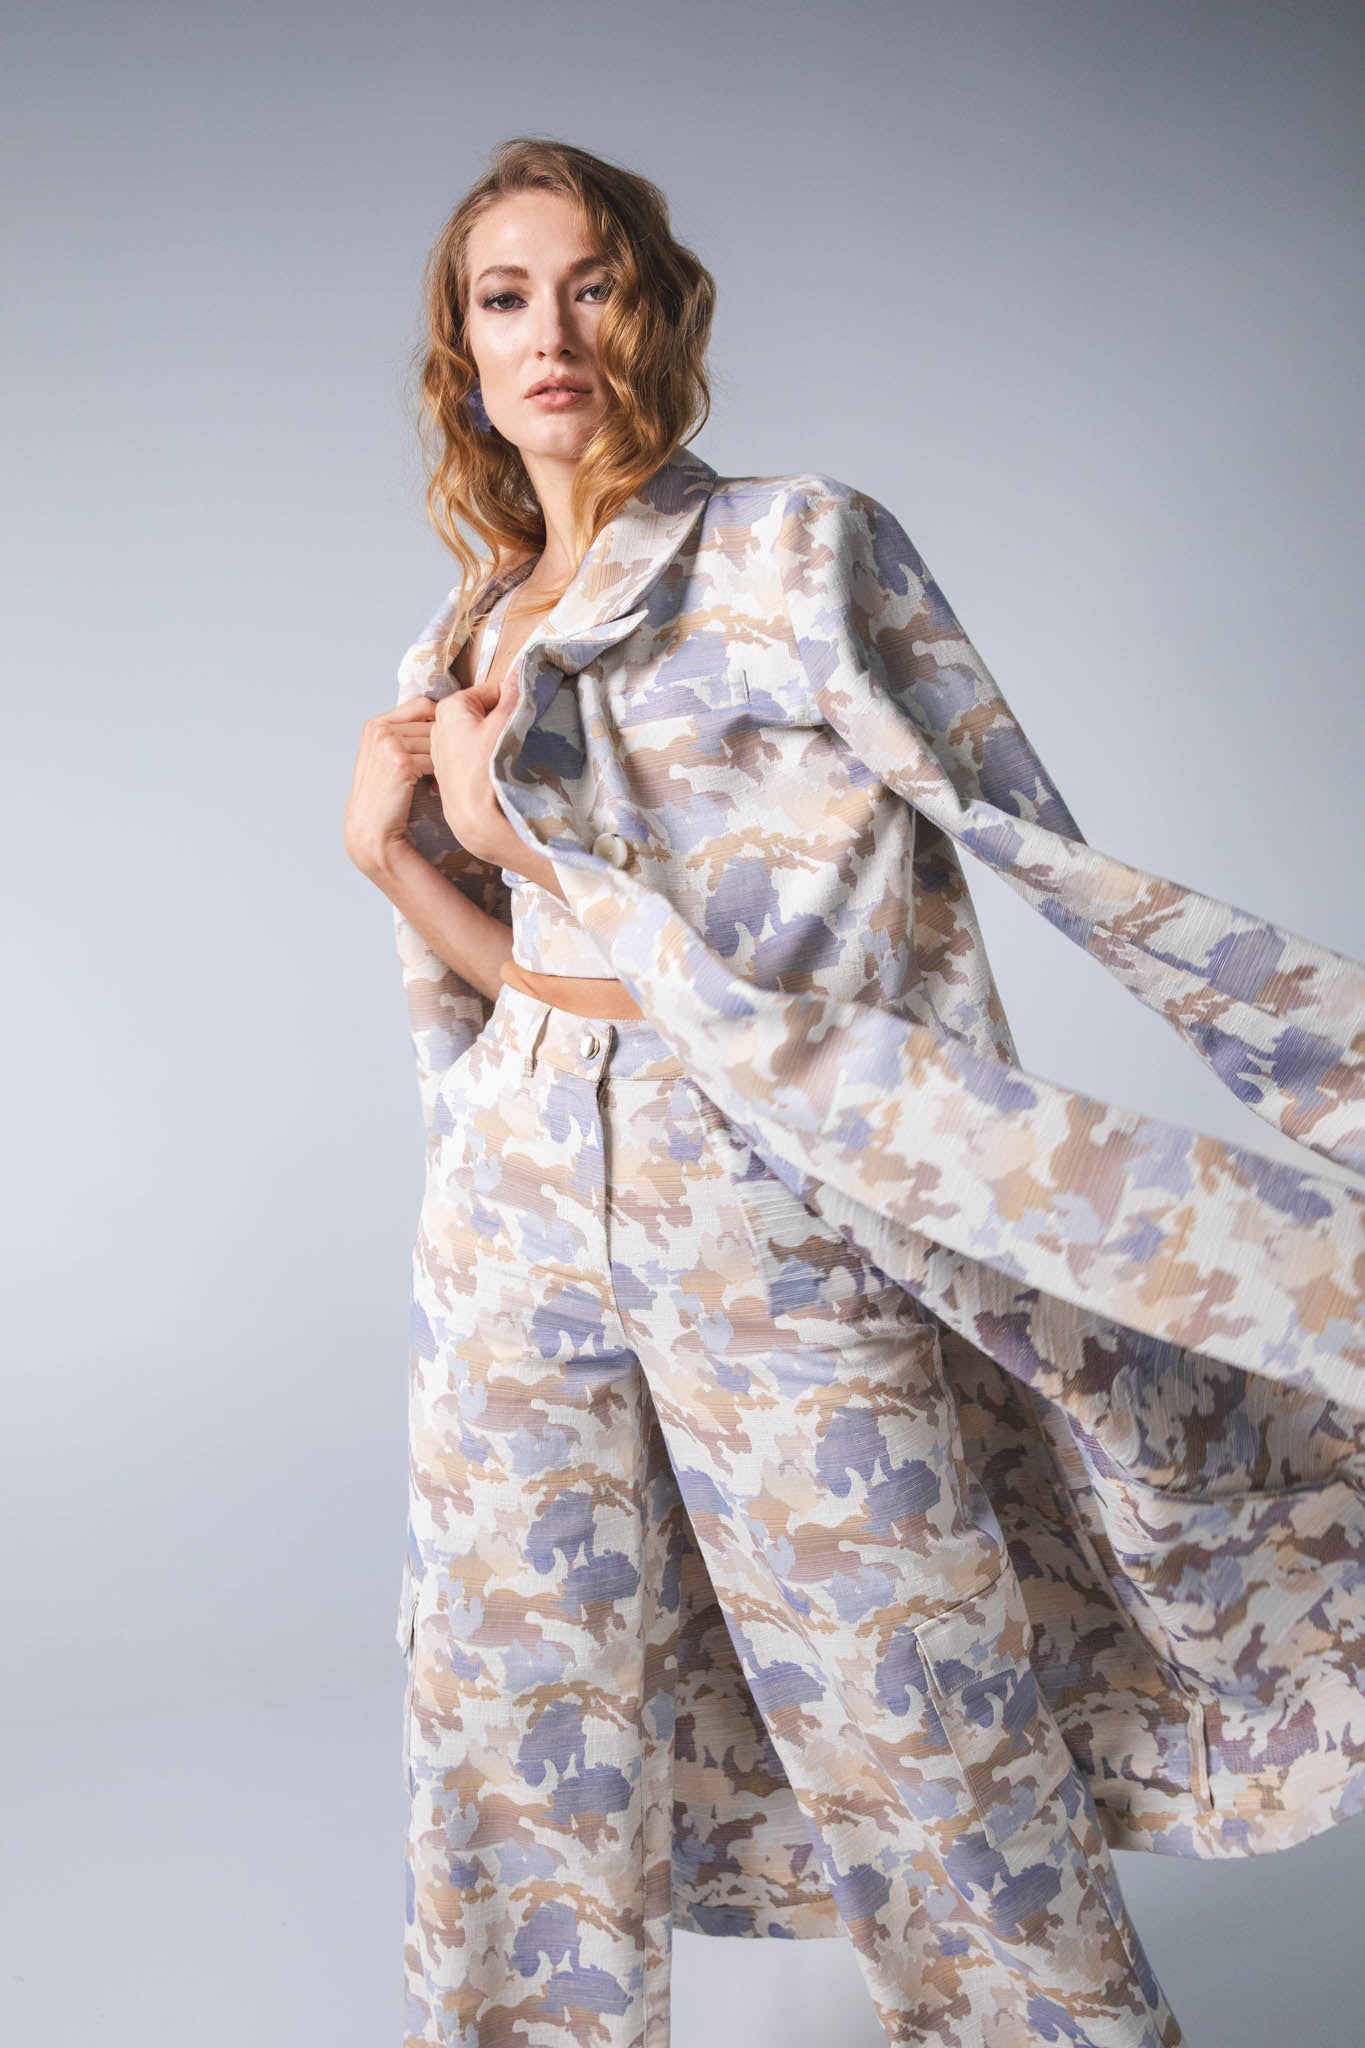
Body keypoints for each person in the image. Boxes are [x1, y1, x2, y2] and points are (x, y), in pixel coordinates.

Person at [343, 138, 1365, 2048]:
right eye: (504, 297)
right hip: (512, 1203)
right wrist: (399, 861)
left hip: (767, 1195)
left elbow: (948, 879)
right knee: (506, 1694)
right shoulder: (462, 630)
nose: (551, 331)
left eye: (590, 284)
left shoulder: (798, 549)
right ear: (460, 352)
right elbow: (545, 993)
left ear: (656, 309)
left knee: (912, 1684)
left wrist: (514, 832)